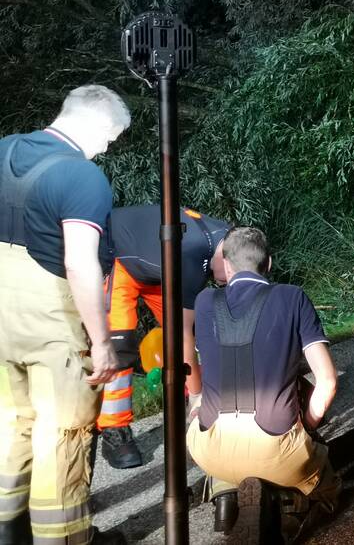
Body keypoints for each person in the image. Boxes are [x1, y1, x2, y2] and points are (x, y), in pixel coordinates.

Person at [0, 85, 131, 545]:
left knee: (10, 422)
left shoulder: (4, 149)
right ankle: (63, 538)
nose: (106, 148)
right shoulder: (82, 177)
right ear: (98, 124)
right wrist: (102, 342)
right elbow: (79, 263)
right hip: (50, 320)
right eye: (110, 138)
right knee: (62, 435)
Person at [186, 227, 339, 537]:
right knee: (330, 491)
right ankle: (289, 505)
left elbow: (204, 368)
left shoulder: (204, 302)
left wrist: (197, 406)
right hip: (279, 454)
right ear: (268, 263)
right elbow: (327, 382)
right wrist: (306, 426)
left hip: (210, 451)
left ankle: (223, 491)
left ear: (226, 265)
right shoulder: (292, 297)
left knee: (206, 411)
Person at [97, 204, 229, 469]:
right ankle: (114, 429)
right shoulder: (195, 256)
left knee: (194, 334)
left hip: (162, 267)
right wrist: (198, 396)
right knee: (118, 345)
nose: (227, 284)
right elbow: (182, 335)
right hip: (120, 258)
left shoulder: (231, 239)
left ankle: (200, 400)